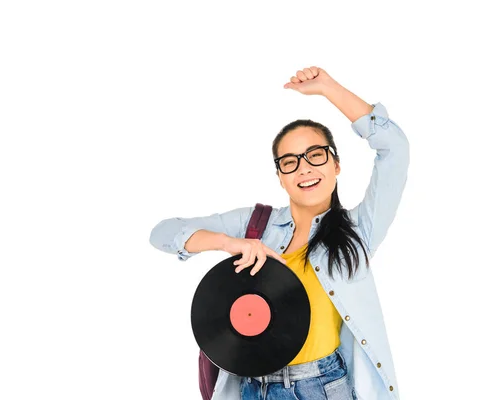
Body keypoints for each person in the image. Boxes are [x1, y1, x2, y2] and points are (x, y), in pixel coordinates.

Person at [149, 66, 410, 400]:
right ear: (281, 176)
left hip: (324, 387)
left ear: (336, 165)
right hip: (251, 388)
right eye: (290, 161)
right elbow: (162, 233)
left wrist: (329, 88)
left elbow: (395, 150)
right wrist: (228, 242)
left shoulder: (358, 231)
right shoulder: (255, 224)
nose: (304, 168)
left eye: (316, 155)